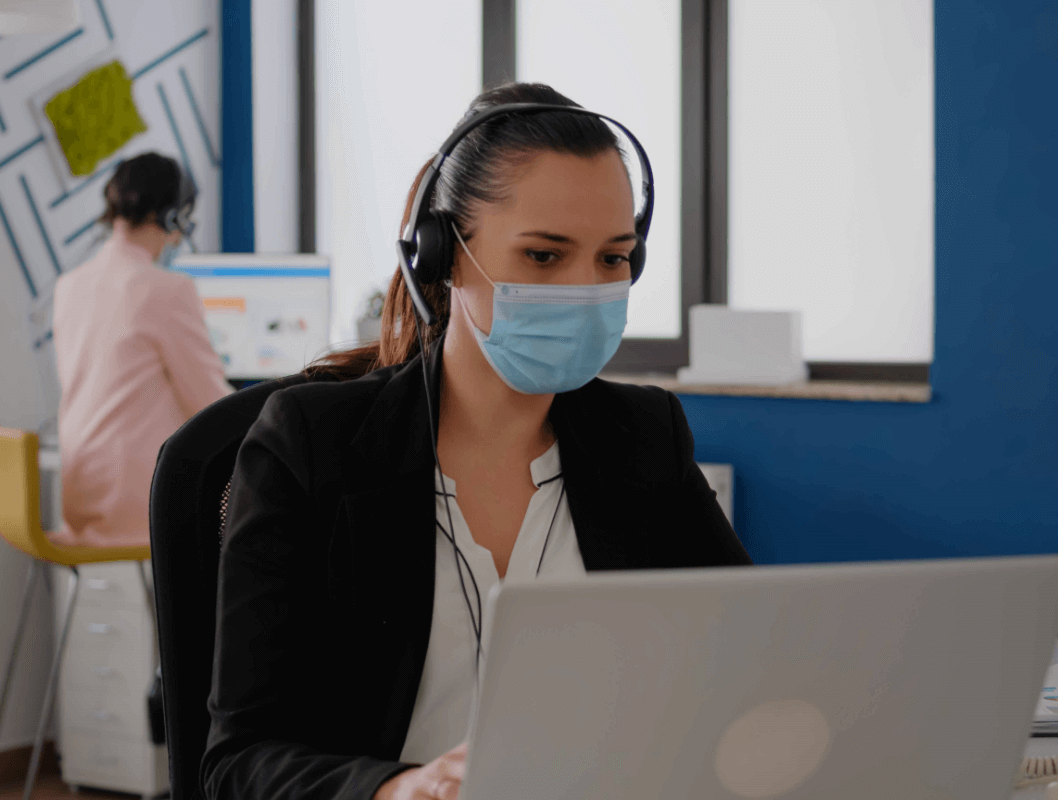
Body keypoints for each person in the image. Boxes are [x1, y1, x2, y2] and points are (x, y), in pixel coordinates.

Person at [204, 83, 751, 800]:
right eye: (545, 257)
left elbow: (749, 665)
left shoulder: (644, 439)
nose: (586, 289)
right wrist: (395, 791)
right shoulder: (311, 446)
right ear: (444, 256)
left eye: (614, 259)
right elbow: (238, 761)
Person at [52, 152, 230, 549]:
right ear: (173, 218)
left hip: (80, 501)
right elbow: (210, 405)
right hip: (142, 505)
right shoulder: (166, 290)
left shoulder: (69, 286)